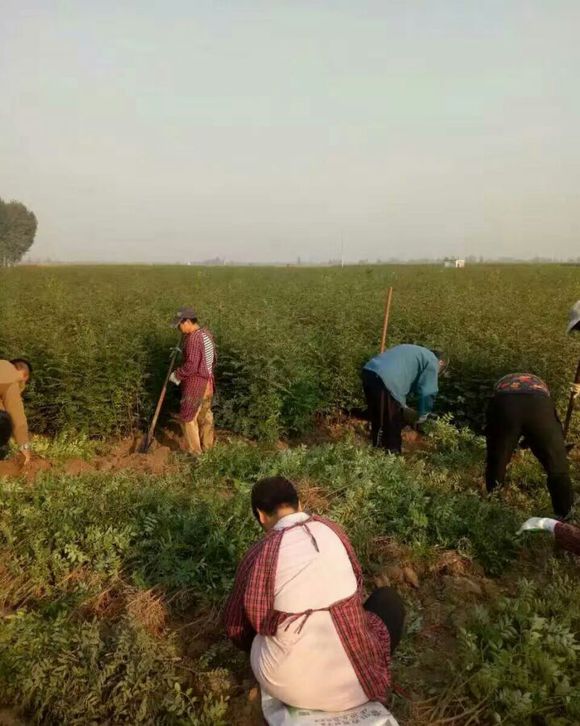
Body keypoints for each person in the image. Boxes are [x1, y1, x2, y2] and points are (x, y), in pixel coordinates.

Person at [223, 476, 405, 712]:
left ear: (260, 515)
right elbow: (357, 589)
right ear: (300, 504)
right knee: (387, 601)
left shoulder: (260, 553)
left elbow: (237, 626)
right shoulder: (334, 531)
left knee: (259, 631)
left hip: (287, 685)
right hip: (358, 685)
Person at [485, 373, 574, 519]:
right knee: (557, 466)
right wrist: (557, 448)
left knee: (497, 460)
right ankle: (565, 515)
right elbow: (539, 428)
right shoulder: (542, 390)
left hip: (505, 402)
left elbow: (493, 425)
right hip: (540, 407)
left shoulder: (502, 386)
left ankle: (494, 506)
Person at [361, 344, 447, 454]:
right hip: (388, 380)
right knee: (391, 424)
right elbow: (428, 392)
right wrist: (423, 414)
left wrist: (402, 405)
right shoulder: (432, 361)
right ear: (441, 363)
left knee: (378, 418)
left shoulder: (415, 351)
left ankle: (376, 452)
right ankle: (391, 458)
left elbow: (404, 378)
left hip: (369, 371)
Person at [169, 307, 216, 455]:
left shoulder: (194, 339)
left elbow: (191, 365)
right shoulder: (206, 334)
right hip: (208, 383)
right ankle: (209, 449)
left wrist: (176, 375)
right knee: (205, 416)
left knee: (188, 417)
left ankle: (196, 453)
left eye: (180, 325)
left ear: (188, 321)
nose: (178, 328)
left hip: (196, 384)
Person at [0, 358, 33, 465]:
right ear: (24, 376)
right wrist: (25, 447)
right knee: (4, 421)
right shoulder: (11, 378)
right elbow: (17, 418)